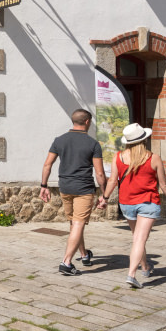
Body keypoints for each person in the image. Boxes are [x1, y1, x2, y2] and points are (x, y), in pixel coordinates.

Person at [98, 123, 166, 288]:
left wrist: (105, 197)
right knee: (139, 239)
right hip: (148, 202)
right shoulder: (153, 158)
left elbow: (113, 180)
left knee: (137, 238)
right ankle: (131, 274)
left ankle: (145, 267)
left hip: (127, 203)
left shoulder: (118, 157)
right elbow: (163, 185)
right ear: (144, 139)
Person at [39, 108, 106, 275]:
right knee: (78, 223)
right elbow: (99, 173)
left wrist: (44, 186)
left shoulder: (59, 140)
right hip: (83, 189)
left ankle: (84, 254)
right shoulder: (93, 144)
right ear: (87, 122)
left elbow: (47, 164)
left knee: (74, 223)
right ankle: (66, 262)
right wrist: (105, 194)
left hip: (65, 187)